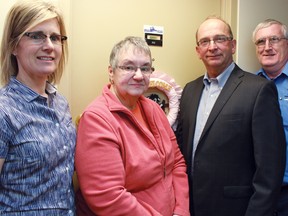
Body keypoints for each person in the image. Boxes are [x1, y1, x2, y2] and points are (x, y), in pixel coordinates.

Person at [175, 15, 286, 216]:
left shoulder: (259, 90)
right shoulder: (190, 91)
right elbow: (181, 151)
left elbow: (270, 170)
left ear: (233, 45)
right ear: (198, 51)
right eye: (205, 41)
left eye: (220, 39)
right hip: (191, 206)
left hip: (236, 208)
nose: (212, 46)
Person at [75, 36, 190, 216]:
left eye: (145, 68)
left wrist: (181, 210)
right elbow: (108, 196)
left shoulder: (153, 109)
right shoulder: (97, 119)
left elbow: (176, 162)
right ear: (111, 72)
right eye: (129, 67)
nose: (138, 75)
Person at [0, 0, 76, 215]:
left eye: (55, 37)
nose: (49, 46)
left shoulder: (60, 104)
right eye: (36, 36)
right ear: (14, 46)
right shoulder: (4, 110)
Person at [252, 18, 288, 216]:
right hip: (259, 194)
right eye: (260, 42)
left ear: (286, 43)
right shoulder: (247, 87)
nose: (267, 47)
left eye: (274, 39)